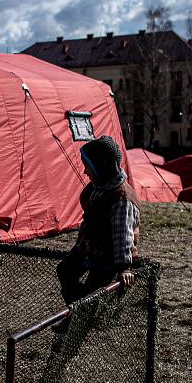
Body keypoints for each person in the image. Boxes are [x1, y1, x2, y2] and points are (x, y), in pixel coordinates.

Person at [55, 135, 140, 330]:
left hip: (107, 257)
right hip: (89, 249)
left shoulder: (121, 199)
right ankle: (80, 313)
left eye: (88, 166)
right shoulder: (100, 187)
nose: (85, 171)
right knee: (65, 271)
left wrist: (124, 267)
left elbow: (123, 236)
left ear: (102, 167)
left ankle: (81, 320)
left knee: (93, 291)